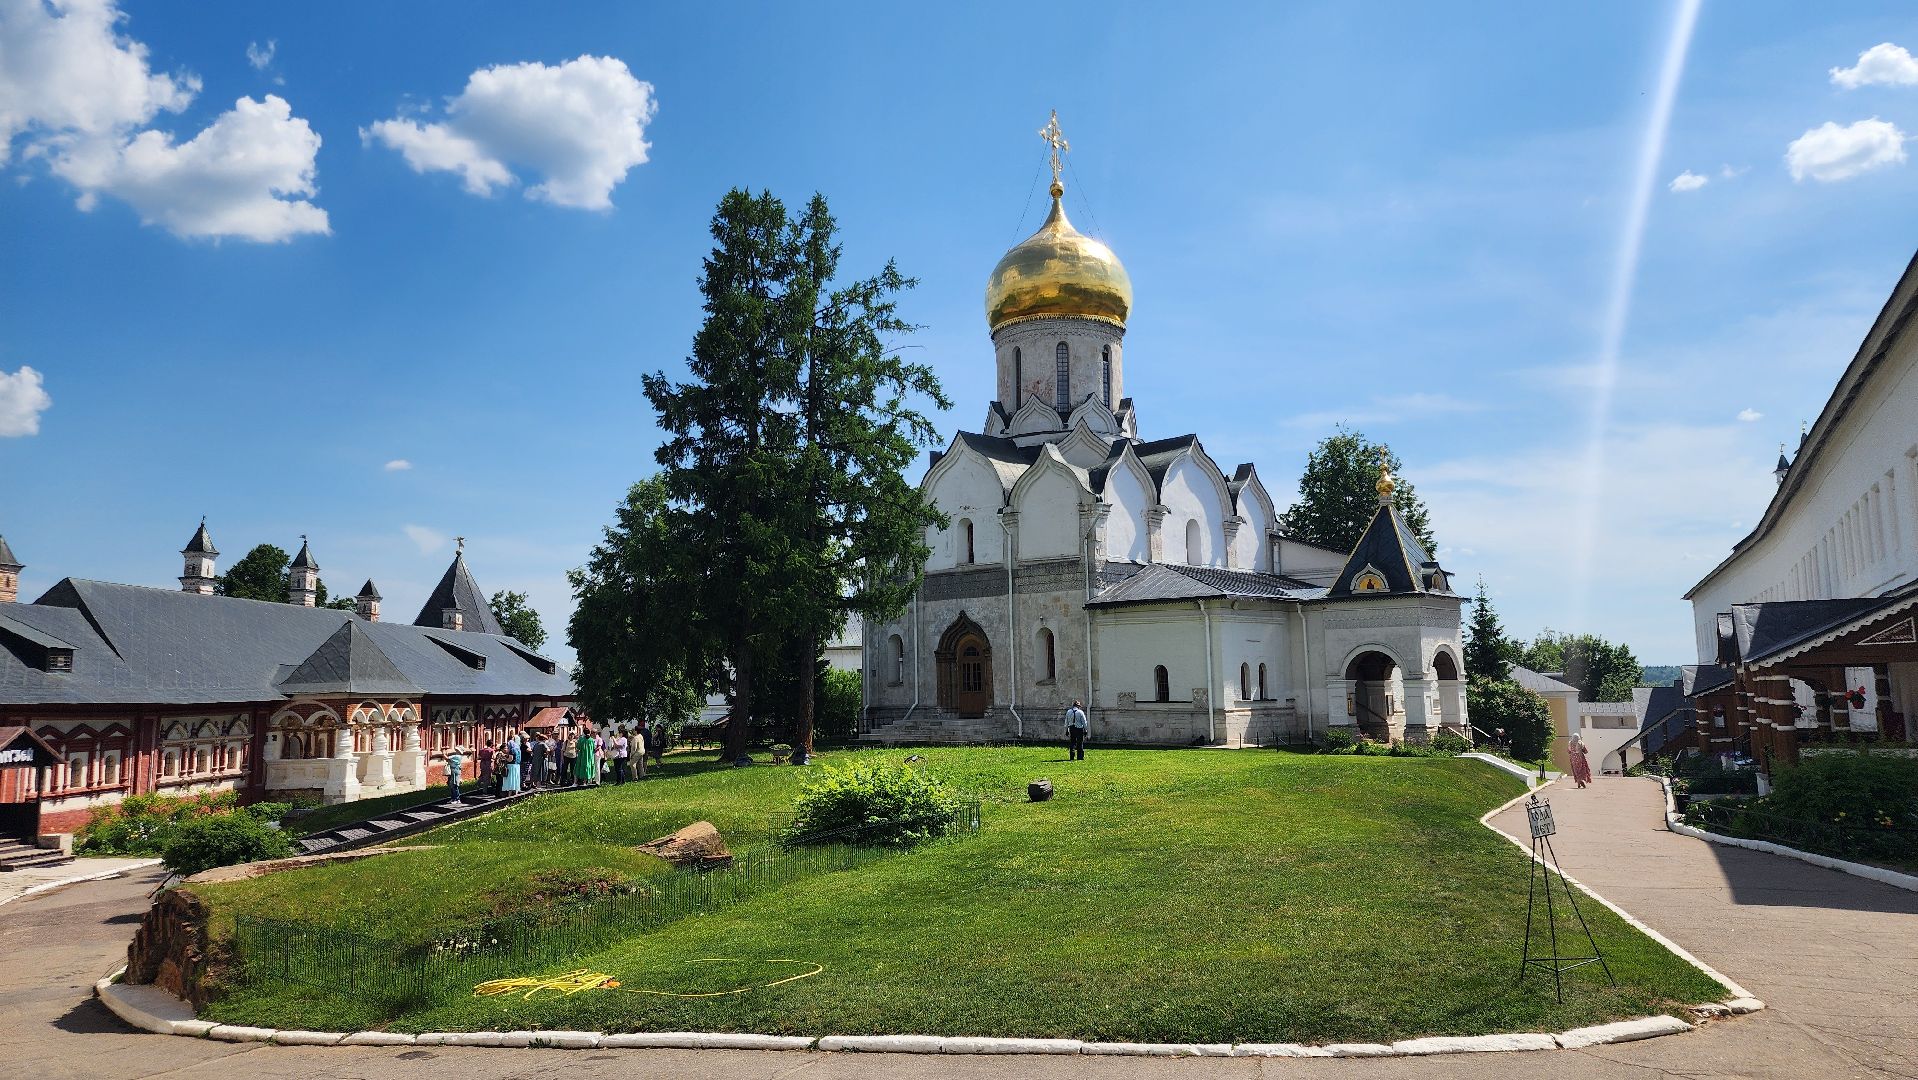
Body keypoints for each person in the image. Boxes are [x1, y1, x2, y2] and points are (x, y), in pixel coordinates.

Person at [500, 728, 522, 795]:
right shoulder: (518, 748)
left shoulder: (512, 750)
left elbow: (510, 759)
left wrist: (505, 758)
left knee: (510, 780)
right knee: (516, 779)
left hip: (511, 766)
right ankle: (515, 793)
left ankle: (509, 794)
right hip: (517, 766)